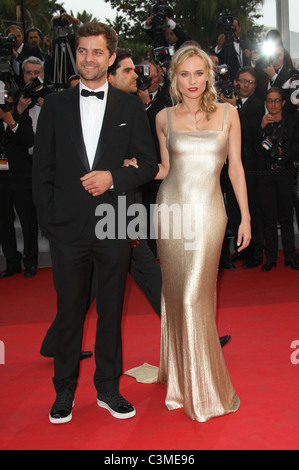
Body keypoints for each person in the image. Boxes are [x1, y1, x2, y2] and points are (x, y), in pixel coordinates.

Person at [32, 22, 158, 424]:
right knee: (69, 312)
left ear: (111, 56)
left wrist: (112, 177)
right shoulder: (54, 105)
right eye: (83, 51)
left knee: (110, 310)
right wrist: (50, 223)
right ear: (76, 55)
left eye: (97, 52)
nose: (89, 58)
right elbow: (42, 171)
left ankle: (108, 388)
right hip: (67, 227)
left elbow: (150, 164)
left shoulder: (130, 106)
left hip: (115, 222)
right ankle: (64, 391)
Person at [128, 46, 251, 421]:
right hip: (171, 213)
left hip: (210, 213)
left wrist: (245, 217)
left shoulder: (229, 114)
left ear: (208, 76)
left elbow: (235, 170)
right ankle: (180, 373)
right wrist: (138, 169)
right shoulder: (163, 118)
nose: (193, 81)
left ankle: (203, 388)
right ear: (174, 78)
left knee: (193, 296)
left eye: (199, 73)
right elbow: (166, 169)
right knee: (175, 292)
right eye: (185, 74)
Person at [221, 66, 265, 268]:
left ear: (255, 86)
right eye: (242, 80)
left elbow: (250, 131)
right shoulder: (225, 103)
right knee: (234, 210)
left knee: (252, 211)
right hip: (229, 167)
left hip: (250, 168)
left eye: (250, 82)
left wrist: (234, 109)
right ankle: (241, 249)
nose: (245, 85)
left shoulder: (257, 105)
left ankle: (256, 253)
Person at [257, 87, 299, 272]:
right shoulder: (263, 122)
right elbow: (254, 150)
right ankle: (271, 257)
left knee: (286, 217)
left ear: (283, 103)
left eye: (276, 100)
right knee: (269, 218)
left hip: (285, 174)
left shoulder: (292, 122)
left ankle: (290, 256)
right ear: (265, 103)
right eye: (269, 101)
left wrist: (284, 154)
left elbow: (297, 146)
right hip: (265, 175)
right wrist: (261, 128)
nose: (273, 104)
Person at [0, 89, 38, 278]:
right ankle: (12, 262)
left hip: (22, 178)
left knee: (28, 221)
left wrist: (11, 122)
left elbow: (30, 140)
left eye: (7, 102)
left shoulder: (22, 119)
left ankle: (31, 261)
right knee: (3, 223)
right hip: (1, 180)